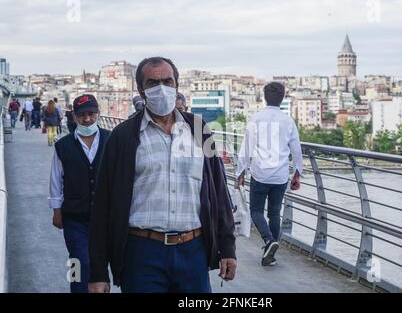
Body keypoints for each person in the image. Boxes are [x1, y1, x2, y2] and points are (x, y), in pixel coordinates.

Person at [88, 57, 236, 293]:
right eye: (153, 83)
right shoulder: (123, 137)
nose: (162, 89)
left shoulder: (199, 130)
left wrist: (227, 248)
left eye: (168, 81)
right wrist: (97, 272)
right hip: (142, 253)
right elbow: (103, 205)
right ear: (140, 89)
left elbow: (219, 191)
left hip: (193, 252)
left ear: (177, 84)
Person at [235, 82, 303, 266]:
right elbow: (296, 149)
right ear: (282, 97)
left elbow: (246, 147)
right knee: (274, 213)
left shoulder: (256, 118)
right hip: (280, 175)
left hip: (260, 174)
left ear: (265, 97)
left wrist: (240, 172)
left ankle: (268, 240)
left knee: (256, 211)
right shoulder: (288, 120)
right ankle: (270, 253)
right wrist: (298, 173)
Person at [48, 94, 110, 293]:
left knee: (100, 263)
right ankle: (76, 289)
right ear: (74, 116)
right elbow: (56, 179)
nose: (87, 119)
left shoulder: (111, 140)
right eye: (82, 115)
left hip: (105, 216)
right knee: (77, 260)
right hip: (74, 216)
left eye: (91, 114)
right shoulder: (63, 145)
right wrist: (56, 209)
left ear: (98, 114)